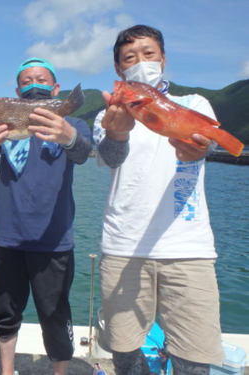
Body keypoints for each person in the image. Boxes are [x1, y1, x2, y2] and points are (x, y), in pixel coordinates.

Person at [93, 24, 224, 375]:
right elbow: (109, 158)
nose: (140, 62)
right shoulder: (107, 114)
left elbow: (204, 147)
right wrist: (117, 132)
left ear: (163, 59)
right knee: (123, 350)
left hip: (188, 247)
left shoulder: (195, 103)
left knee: (194, 357)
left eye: (148, 54)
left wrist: (196, 150)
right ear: (120, 70)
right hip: (124, 245)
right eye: (129, 58)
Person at [0, 57, 93, 375]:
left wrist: (66, 134)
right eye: (26, 81)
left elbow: (82, 153)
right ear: (16, 91)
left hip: (54, 239)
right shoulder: (4, 126)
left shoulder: (74, 124)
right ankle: (7, 371)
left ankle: (60, 372)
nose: (33, 84)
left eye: (40, 79)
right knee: (5, 311)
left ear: (55, 88)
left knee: (54, 313)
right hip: (7, 235)